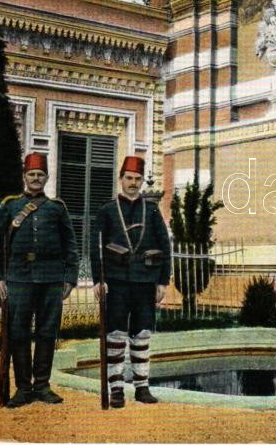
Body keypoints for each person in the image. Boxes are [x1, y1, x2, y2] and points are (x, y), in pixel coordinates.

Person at [0, 153, 78, 408]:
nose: (36, 179)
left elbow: (70, 244)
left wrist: (70, 278)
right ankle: (23, 388)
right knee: (19, 333)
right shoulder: (10, 205)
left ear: (46, 178)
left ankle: (42, 386)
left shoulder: (57, 208)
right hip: (19, 279)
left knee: (48, 332)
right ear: (24, 177)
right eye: (31, 174)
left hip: (51, 279)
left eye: (40, 175)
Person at [90, 156, 171, 408]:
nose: (133, 183)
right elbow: (96, 247)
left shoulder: (152, 210)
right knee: (115, 333)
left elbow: (164, 245)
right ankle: (116, 388)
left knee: (142, 333)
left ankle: (141, 387)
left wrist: (162, 282)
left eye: (137, 179)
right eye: (129, 178)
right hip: (116, 282)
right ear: (121, 179)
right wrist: (98, 280)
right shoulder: (107, 210)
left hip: (145, 282)